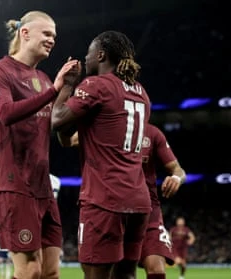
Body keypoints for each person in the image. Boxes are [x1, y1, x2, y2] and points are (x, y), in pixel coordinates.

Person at [0, 10, 79, 279]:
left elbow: (58, 130)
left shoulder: (46, 80)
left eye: (54, 36)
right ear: (25, 33)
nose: (52, 40)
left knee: (50, 272)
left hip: (43, 188)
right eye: (47, 34)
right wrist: (54, 91)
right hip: (12, 185)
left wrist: (68, 91)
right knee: (30, 271)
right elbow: (6, 113)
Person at [51, 30, 151, 279]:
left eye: (89, 53)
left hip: (104, 199)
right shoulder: (141, 92)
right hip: (138, 199)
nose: (86, 59)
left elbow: (55, 120)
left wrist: (69, 86)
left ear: (101, 54)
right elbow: (68, 137)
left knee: (95, 274)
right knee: (126, 275)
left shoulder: (97, 85)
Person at [138, 123, 186, 279]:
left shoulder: (152, 133)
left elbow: (178, 169)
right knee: (120, 271)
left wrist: (176, 178)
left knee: (157, 270)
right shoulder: (107, 127)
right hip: (115, 208)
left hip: (149, 210)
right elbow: (69, 140)